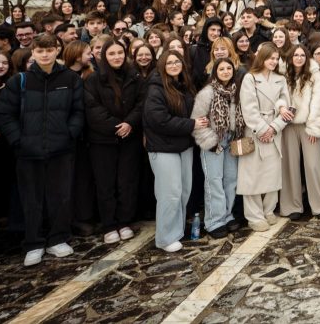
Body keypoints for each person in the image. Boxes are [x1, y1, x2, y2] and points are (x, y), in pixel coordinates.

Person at [0, 33, 85, 265]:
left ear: (57, 50)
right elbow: (4, 114)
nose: (45, 55)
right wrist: (18, 140)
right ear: (33, 52)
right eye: (40, 51)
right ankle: (33, 243)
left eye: (49, 50)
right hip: (28, 151)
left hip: (61, 148)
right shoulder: (20, 81)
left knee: (60, 196)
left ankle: (58, 239)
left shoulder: (70, 79)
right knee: (31, 199)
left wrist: (69, 134)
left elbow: (79, 111)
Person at [143, 49, 208, 252]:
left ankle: (176, 231)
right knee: (169, 193)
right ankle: (165, 238)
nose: (174, 65)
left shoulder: (184, 85)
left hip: (183, 146)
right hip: (163, 148)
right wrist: (191, 124)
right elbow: (159, 120)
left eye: (177, 62)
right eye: (169, 62)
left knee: (184, 190)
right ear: (162, 66)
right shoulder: (156, 89)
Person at [83, 38, 144, 244]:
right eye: (111, 53)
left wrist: (130, 123)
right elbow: (92, 108)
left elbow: (141, 103)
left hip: (130, 137)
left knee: (127, 181)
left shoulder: (134, 76)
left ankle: (125, 221)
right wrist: (116, 126)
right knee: (105, 183)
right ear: (103, 56)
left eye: (120, 53)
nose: (116, 57)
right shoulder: (93, 79)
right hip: (102, 140)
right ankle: (109, 224)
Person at [239, 43, 292, 232]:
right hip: (255, 131)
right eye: (271, 58)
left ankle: (268, 210)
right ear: (262, 57)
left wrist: (274, 128)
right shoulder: (250, 78)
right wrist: (263, 129)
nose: (274, 61)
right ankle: (254, 216)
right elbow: (248, 108)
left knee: (272, 173)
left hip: (275, 131)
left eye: (277, 59)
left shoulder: (280, 79)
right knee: (252, 175)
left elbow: (287, 106)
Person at [192, 58, 245, 238]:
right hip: (214, 141)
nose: (225, 71)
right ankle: (214, 221)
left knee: (231, 179)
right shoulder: (207, 92)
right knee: (214, 180)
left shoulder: (236, 91)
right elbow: (197, 121)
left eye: (229, 68)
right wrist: (210, 143)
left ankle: (227, 215)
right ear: (215, 72)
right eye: (221, 69)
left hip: (231, 140)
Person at [279, 45, 320, 219]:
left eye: (302, 55)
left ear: (307, 57)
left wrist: (314, 128)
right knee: (289, 166)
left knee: (313, 165)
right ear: (290, 57)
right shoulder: (283, 75)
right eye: (296, 55)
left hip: (308, 126)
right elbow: (278, 97)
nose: (299, 58)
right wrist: (281, 107)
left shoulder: (316, 76)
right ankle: (291, 206)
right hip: (287, 125)